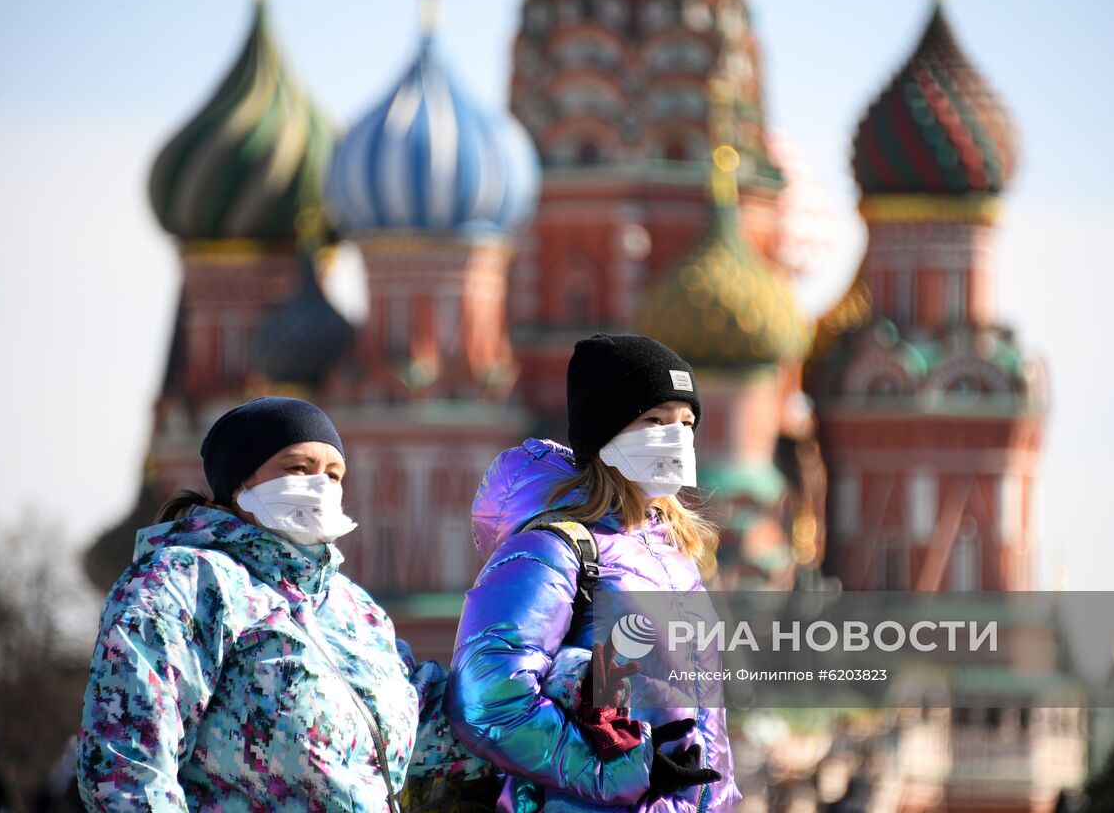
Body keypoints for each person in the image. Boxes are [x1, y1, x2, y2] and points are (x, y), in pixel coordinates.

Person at [77, 396, 439, 812]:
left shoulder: (356, 610)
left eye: (333, 474)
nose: (320, 485)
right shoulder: (185, 583)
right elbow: (127, 767)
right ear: (240, 482)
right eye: (298, 468)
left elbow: (430, 732)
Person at [446, 333, 738, 811]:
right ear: (606, 432)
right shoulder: (553, 549)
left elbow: (705, 724)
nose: (676, 437)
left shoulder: (677, 562)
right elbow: (487, 699)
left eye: (686, 423)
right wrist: (620, 772)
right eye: (655, 420)